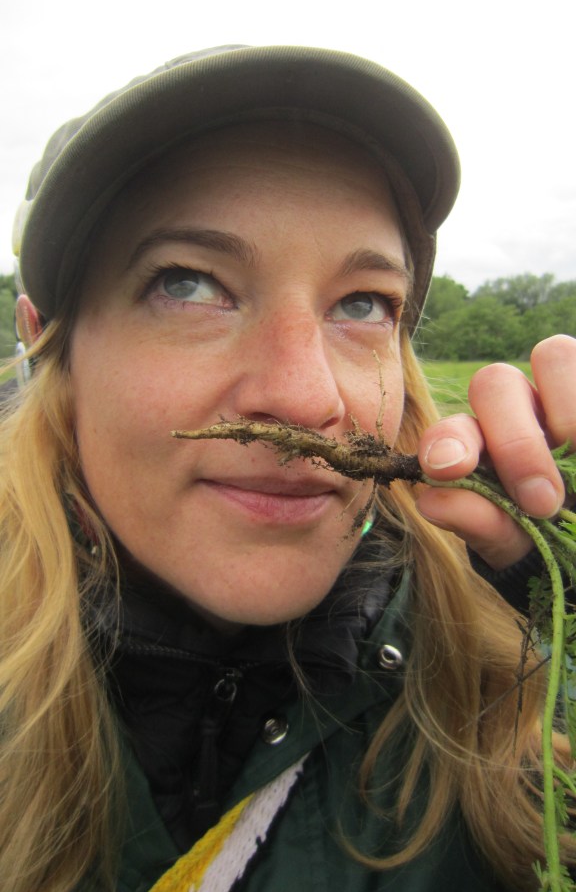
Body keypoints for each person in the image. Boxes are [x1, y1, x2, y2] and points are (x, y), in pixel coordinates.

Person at [1, 45, 575, 892]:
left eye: (362, 303)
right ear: (47, 343)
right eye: (188, 284)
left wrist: (553, 599)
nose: (307, 399)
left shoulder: (506, 687)